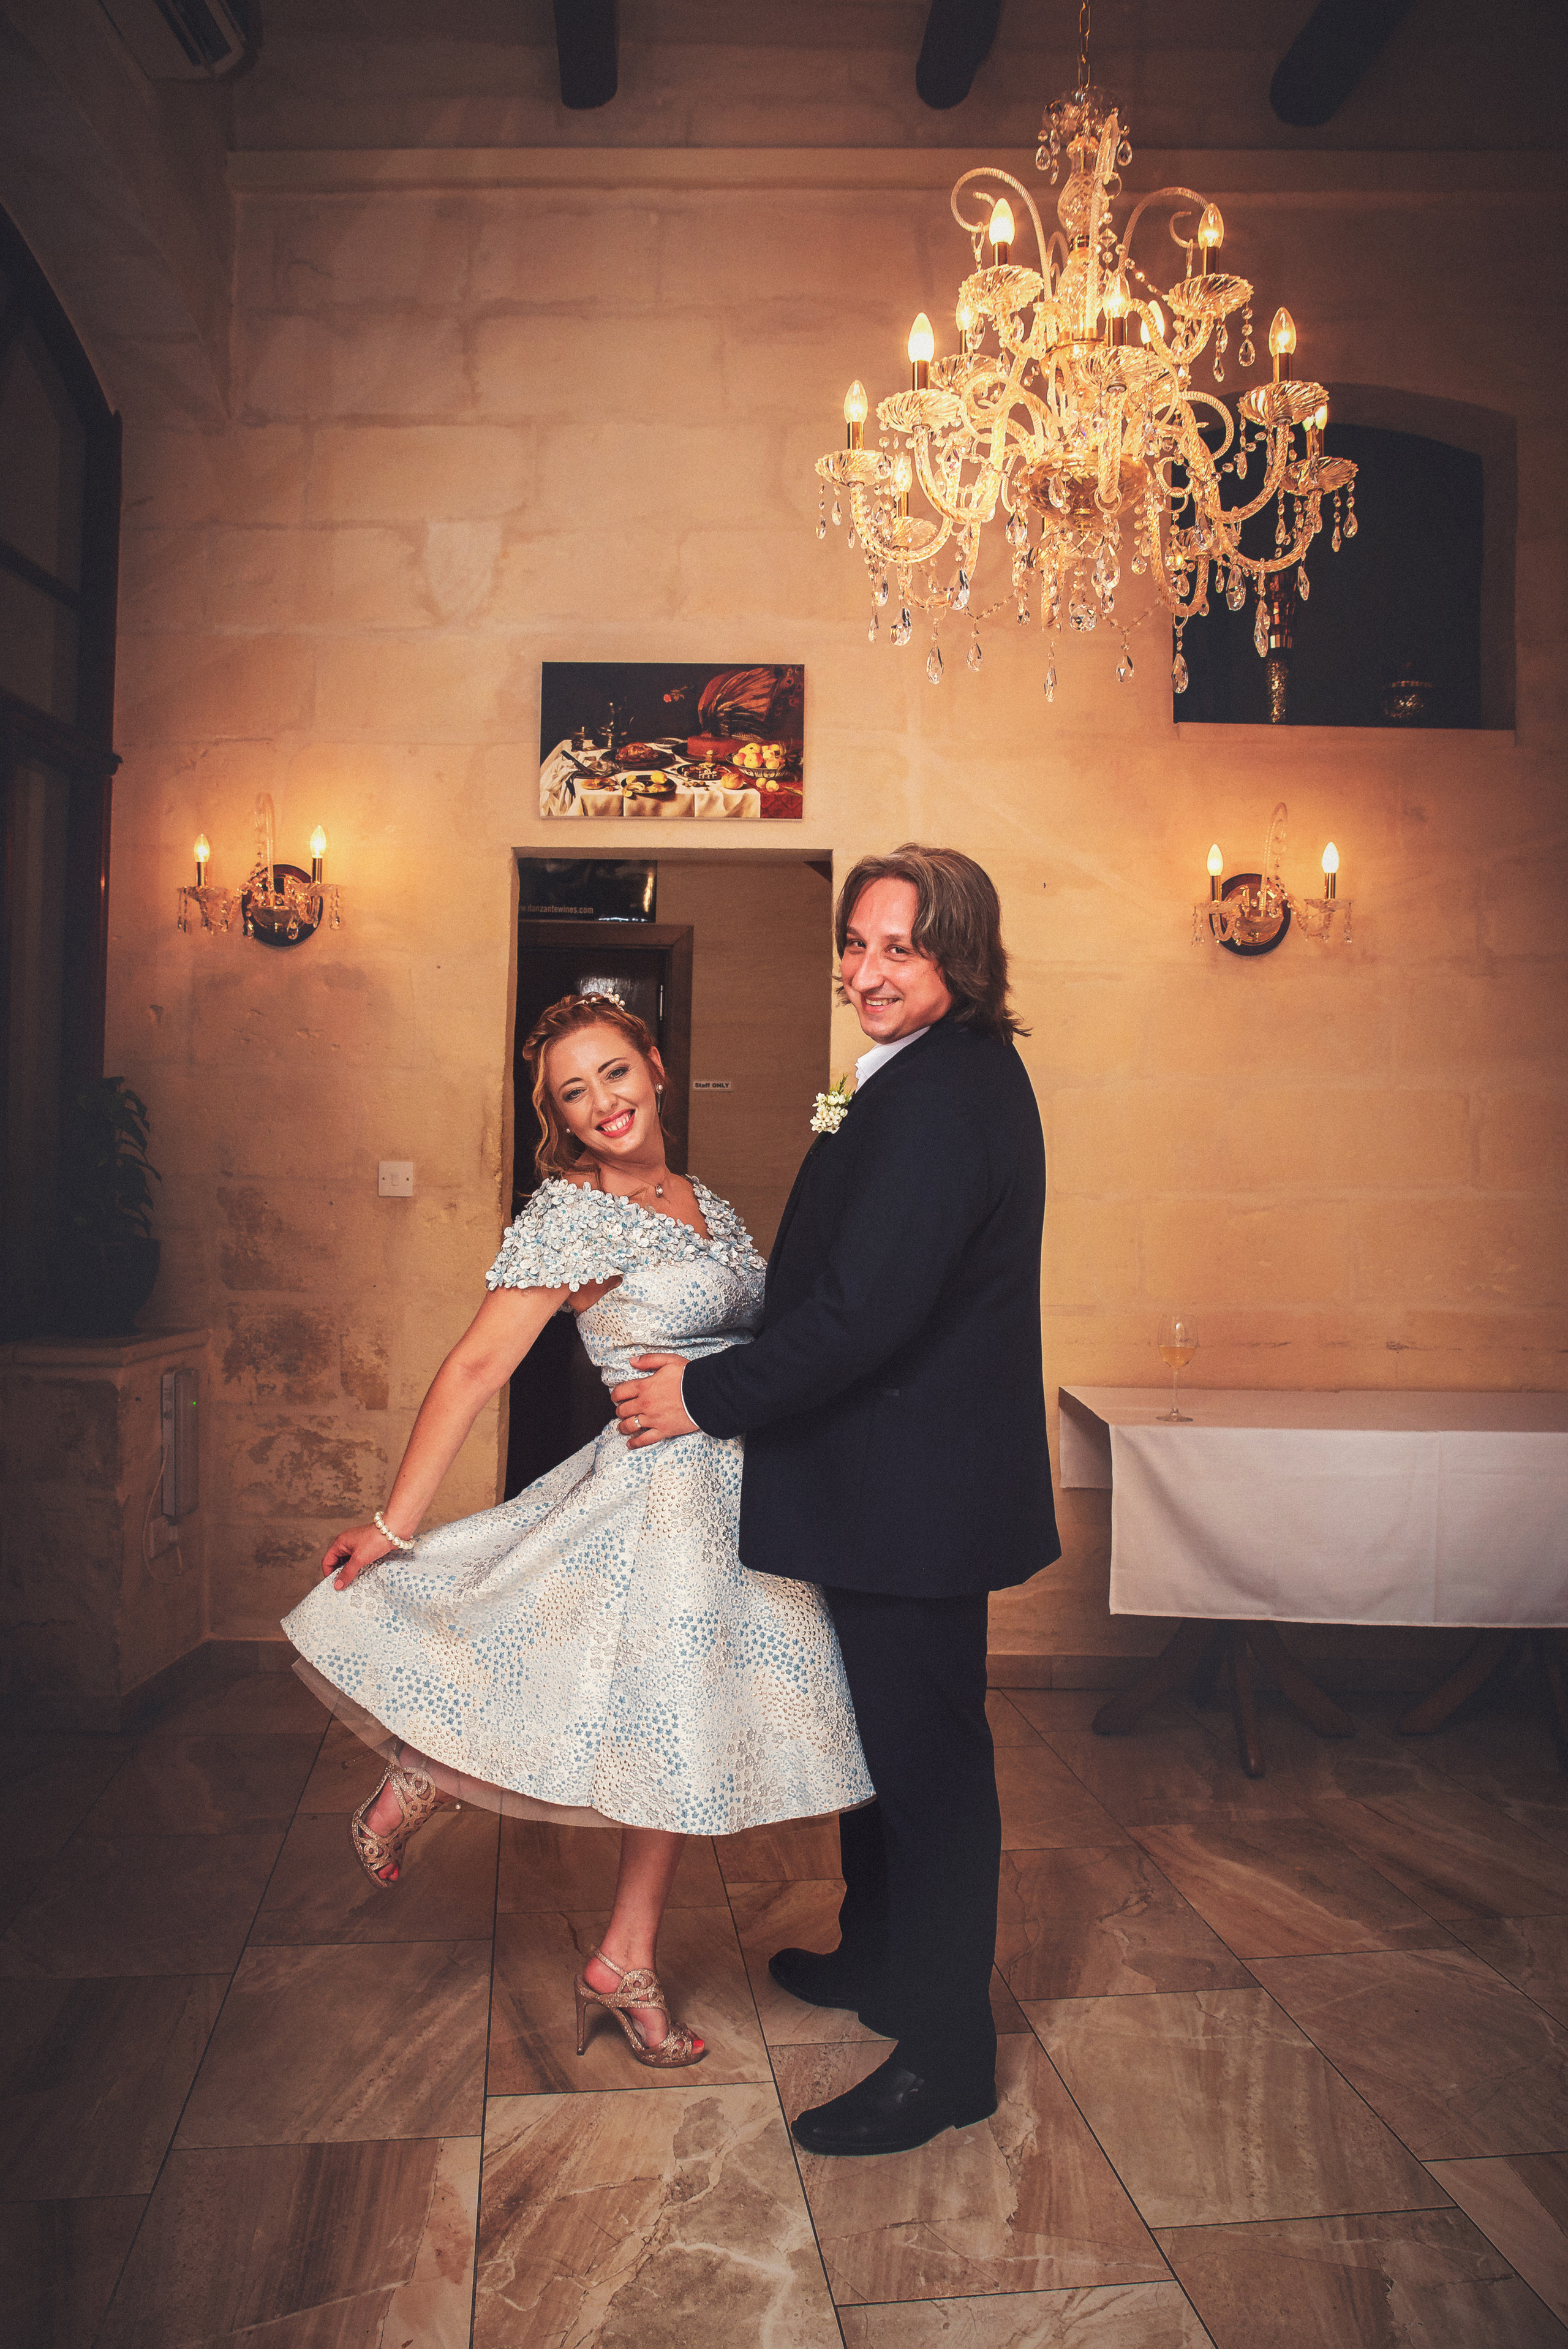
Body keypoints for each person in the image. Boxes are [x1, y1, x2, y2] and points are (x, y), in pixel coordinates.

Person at [282, 992, 872, 2071]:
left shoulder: (703, 1200)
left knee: (679, 1741)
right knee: (569, 1676)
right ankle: (426, 1769)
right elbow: (474, 1368)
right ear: (556, 1114)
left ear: (654, 1064)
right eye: (572, 1091)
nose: (602, 1102)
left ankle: (624, 1959)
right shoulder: (574, 1213)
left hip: (740, 1502)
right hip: (657, 1496)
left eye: (614, 1073)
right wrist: (390, 1521)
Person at [612, 844, 1058, 2153]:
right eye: (854, 945)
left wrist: (707, 1397)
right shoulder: (925, 1076)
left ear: (955, 961)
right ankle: (880, 1961)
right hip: (889, 1482)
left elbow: (865, 1313)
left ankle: (947, 2053)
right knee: (875, 1753)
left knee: (927, 1770)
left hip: (911, 1492)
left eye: (897, 950)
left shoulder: (940, 1095)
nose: (863, 972)